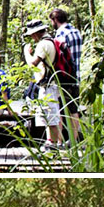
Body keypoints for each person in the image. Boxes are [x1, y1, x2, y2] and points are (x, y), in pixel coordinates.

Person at [21, 19, 65, 149]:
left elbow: (33, 64)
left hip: (49, 84)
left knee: (51, 116)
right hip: (51, 83)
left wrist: (26, 54)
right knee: (49, 114)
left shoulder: (43, 44)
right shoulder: (50, 41)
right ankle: (51, 141)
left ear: (35, 33)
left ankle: (53, 145)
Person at [50, 8, 83, 143]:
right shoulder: (76, 32)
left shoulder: (60, 34)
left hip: (64, 76)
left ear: (55, 20)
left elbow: (58, 57)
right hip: (76, 76)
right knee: (73, 109)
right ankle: (74, 140)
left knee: (60, 109)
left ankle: (60, 141)